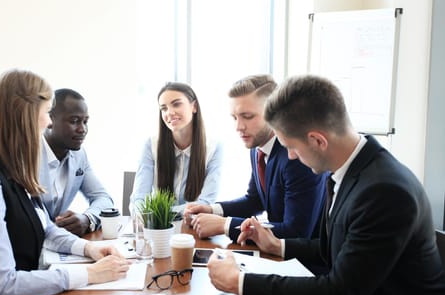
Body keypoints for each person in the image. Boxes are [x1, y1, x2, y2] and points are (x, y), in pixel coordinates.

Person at [207, 74, 445, 295]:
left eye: (290, 147)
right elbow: (333, 248)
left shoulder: (385, 192)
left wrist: (240, 282)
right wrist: (277, 245)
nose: (289, 156)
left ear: (318, 141)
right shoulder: (348, 168)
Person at [0, 70, 129, 295]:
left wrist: (89, 249)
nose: (49, 123)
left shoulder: (15, 167)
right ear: (25, 116)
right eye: (45, 113)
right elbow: (4, 286)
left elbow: (46, 229)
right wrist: (89, 274)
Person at [184, 74, 326, 242]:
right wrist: (211, 210)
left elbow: (296, 232)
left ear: (274, 114)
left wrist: (225, 225)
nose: (239, 127)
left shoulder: (296, 156)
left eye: (248, 116)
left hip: (306, 262)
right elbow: (255, 200)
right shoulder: (257, 146)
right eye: (234, 117)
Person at [130, 82, 223, 215]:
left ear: (194, 106)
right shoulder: (150, 145)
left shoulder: (214, 147)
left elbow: (206, 203)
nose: (170, 113)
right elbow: (139, 198)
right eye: (164, 108)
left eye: (176, 104)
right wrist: (143, 214)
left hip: (194, 227)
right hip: (159, 229)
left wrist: (158, 213)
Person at [40, 88, 113, 236]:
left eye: (85, 121)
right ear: (49, 120)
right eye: (74, 121)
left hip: (59, 244)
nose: (83, 129)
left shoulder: (79, 155)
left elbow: (103, 198)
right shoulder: (26, 155)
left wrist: (87, 219)